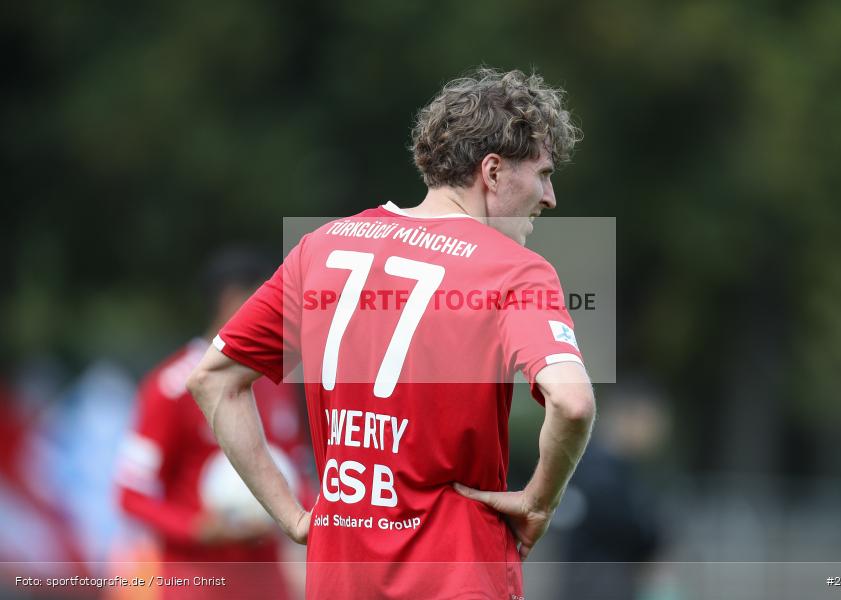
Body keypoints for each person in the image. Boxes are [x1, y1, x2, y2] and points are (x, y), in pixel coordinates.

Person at [188, 68, 596, 599]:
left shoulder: (322, 247)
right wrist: (541, 501)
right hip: (457, 576)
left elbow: (213, 381)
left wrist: (292, 515)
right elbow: (573, 403)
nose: (550, 197)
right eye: (542, 174)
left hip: (338, 577)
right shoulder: (516, 269)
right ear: (492, 172)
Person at [117, 248, 313, 600]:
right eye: (270, 300)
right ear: (232, 301)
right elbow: (131, 494)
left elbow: (294, 473)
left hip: (268, 584)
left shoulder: (274, 383)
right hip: (197, 584)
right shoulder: (171, 387)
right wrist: (198, 529)